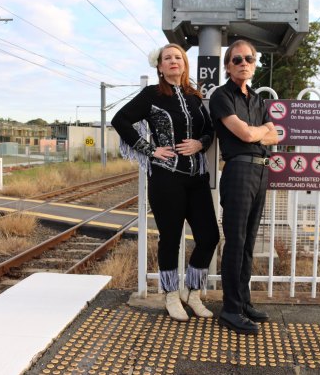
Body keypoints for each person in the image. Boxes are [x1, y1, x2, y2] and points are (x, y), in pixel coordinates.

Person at [112, 43, 220, 322]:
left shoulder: (194, 96)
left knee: (209, 237)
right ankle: (172, 295)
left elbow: (209, 129)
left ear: (184, 64)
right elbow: (120, 120)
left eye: (178, 57)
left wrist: (200, 143)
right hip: (165, 178)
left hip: (197, 178)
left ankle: (192, 294)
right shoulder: (151, 95)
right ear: (159, 67)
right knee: (170, 239)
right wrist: (150, 149)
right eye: (167, 58)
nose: (173, 61)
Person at [209, 39, 279, 335]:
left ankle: (244, 300)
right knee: (236, 241)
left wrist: (259, 132)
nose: (243, 63)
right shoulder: (221, 96)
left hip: (261, 172)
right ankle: (230, 309)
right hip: (238, 171)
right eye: (236, 59)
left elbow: (274, 135)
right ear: (228, 65)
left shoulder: (257, 100)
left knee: (250, 241)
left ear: (254, 62)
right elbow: (246, 134)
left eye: (248, 58)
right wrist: (259, 132)